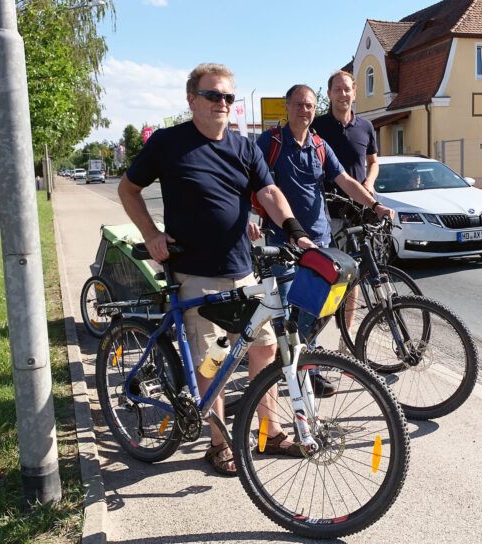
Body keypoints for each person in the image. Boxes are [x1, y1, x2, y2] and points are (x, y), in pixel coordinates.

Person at [117, 63, 315, 476]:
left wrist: (296, 232)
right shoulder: (169, 144)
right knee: (214, 358)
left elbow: (269, 190)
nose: (222, 103)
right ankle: (219, 442)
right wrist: (151, 233)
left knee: (263, 348)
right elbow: (128, 188)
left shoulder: (244, 147)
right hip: (194, 272)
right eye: (213, 95)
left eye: (228, 96)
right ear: (192, 100)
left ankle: (269, 431)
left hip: (241, 268)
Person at [256, 84, 394, 393]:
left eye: (309, 105)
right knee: (288, 311)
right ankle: (287, 368)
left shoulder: (319, 145)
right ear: (287, 107)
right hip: (283, 241)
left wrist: (374, 205)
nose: (304, 110)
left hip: (319, 238)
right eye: (298, 105)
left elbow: (345, 180)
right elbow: (250, 181)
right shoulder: (271, 142)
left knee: (315, 308)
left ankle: (308, 369)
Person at [311, 71, 380, 351]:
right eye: (337, 89)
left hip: (357, 212)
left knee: (353, 277)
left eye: (347, 89)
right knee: (324, 278)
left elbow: (373, 162)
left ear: (354, 93)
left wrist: (369, 184)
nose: (343, 94)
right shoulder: (317, 126)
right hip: (326, 213)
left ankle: (345, 340)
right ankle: (311, 342)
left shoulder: (365, 127)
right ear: (329, 94)